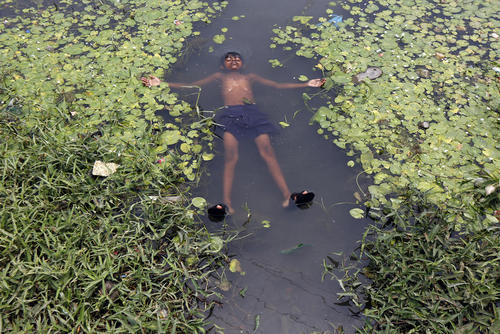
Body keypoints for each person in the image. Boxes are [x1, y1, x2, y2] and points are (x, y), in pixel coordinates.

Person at [142, 52, 324, 214]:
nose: (233, 60)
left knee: (268, 152)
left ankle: (288, 196)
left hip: (252, 113)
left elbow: (276, 85)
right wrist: (161, 83)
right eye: (229, 59)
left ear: (243, 64)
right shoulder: (219, 76)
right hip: (229, 114)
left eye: (237, 58)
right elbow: (192, 86)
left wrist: (306, 84)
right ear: (223, 65)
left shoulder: (250, 76)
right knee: (231, 156)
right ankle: (227, 204)